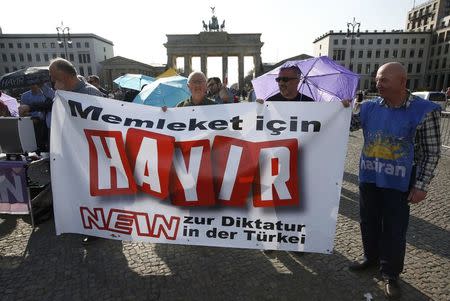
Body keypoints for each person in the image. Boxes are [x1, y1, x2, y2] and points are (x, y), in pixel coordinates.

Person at [348, 62, 441, 299]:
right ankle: (371, 258)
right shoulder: (369, 107)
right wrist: (340, 110)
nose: (378, 84)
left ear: (402, 82)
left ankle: (390, 273)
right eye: (377, 79)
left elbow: (431, 152)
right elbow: (348, 125)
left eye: (384, 80)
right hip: (369, 177)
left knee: (394, 229)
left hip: (399, 181)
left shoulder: (424, 110)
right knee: (368, 221)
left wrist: (421, 185)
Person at [20, 58, 103, 245]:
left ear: (63, 76)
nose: (50, 79)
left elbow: (103, 124)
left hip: (90, 154)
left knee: (93, 191)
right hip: (72, 152)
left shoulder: (90, 93)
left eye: (52, 75)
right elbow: (49, 106)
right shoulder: (64, 93)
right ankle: (83, 221)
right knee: (79, 189)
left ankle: (98, 228)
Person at [20, 84, 52, 152]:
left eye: (34, 84)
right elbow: (22, 112)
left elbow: (46, 107)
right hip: (30, 122)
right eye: (31, 84)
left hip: (43, 122)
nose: (33, 86)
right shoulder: (25, 96)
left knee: (43, 142)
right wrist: (31, 117)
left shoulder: (45, 95)